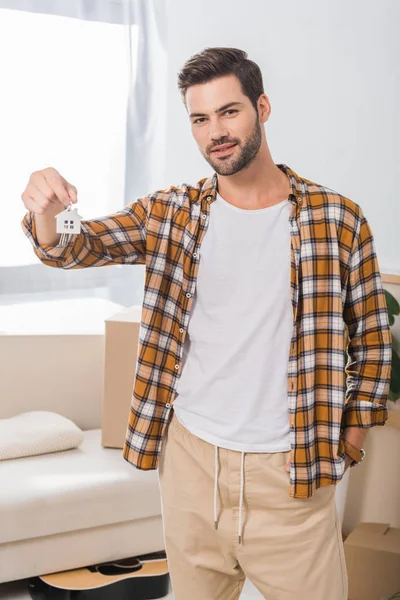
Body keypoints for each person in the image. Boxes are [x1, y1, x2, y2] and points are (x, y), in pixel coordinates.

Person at [20, 47, 392, 600]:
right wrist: (45, 213)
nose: (215, 131)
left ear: (262, 108)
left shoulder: (336, 217)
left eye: (229, 112)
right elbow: (73, 247)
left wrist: (352, 439)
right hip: (192, 465)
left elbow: (372, 338)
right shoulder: (171, 213)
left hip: (291, 471)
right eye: (200, 118)